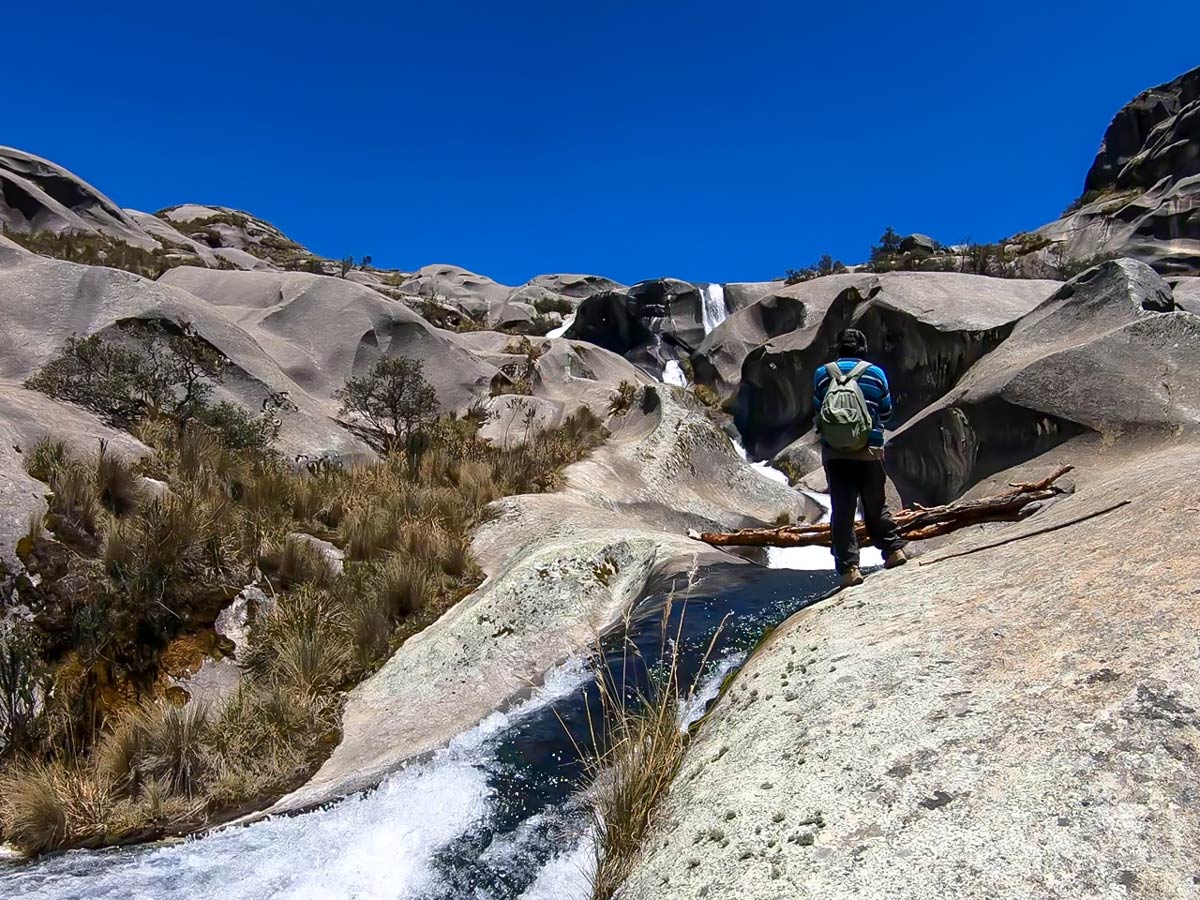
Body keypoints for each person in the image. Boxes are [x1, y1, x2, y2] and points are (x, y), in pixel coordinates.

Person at [813, 328, 907, 587]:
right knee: (875, 505)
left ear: (838, 347)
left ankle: (849, 569)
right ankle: (892, 551)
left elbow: (818, 409)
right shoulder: (876, 374)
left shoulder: (823, 374)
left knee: (842, 511)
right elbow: (886, 413)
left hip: (835, 453)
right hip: (870, 450)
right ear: (863, 349)